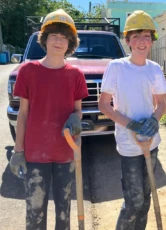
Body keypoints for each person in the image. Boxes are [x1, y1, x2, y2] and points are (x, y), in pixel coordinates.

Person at [9, 9, 88, 230]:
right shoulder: (28, 71)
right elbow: (23, 113)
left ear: (70, 43)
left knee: (64, 213)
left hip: (65, 153)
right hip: (35, 154)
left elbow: (78, 111)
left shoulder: (75, 74)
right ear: (44, 39)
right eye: (54, 35)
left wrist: (75, 118)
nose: (58, 41)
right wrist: (17, 151)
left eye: (64, 37)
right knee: (35, 214)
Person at [98, 10, 166, 230]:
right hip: (129, 145)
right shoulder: (117, 67)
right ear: (127, 40)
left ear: (152, 41)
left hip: (151, 142)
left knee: (146, 198)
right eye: (136, 36)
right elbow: (104, 104)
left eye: (146, 36)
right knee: (134, 201)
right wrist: (130, 124)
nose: (142, 41)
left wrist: (154, 120)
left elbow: (162, 104)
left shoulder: (154, 69)